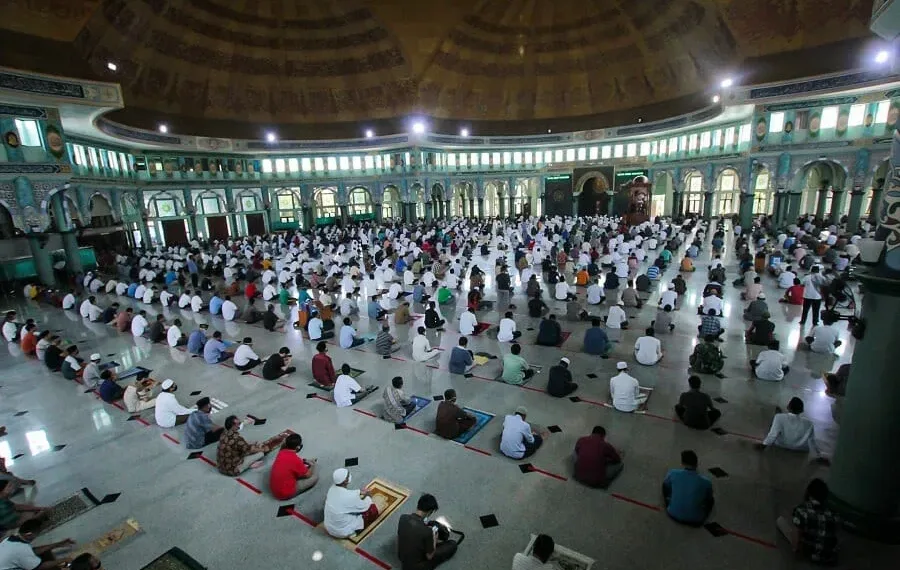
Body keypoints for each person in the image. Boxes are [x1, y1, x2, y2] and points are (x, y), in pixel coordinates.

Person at [776, 478, 840, 565]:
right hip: (829, 557)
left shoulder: (802, 510)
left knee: (781, 521)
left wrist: (796, 548)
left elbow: (797, 537)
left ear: (809, 494)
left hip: (809, 553)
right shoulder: (833, 514)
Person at [397, 493, 459, 570]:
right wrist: (434, 539)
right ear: (430, 511)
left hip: (402, 558)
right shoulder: (427, 532)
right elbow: (430, 556)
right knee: (452, 544)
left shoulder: (403, 517)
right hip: (418, 567)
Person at [756, 398, 828, 462]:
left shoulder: (779, 417)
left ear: (788, 407)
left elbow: (773, 435)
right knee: (780, 419)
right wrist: (819, 456)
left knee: (776, 422)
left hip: (781, 444)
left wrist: (764, 445)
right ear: (801, 410)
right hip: (801, 449)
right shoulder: (809, 423)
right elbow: (812, 442)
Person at [0, 518, 76, 570]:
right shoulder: (22, 549)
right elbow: (40, 567)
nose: (37, 536)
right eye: (37, 534)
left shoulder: (10, 539)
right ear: (29, 534)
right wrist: (64, 559)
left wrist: (58, 544)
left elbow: (32, 551)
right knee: (45, 562)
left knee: (45, 553)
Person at [324, 468, 379, 539]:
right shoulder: (349, 497)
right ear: (345, 481)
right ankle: (354, 533)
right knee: (373, 509)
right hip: (342, 532)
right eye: (347, 476)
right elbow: (365, 506)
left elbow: (348, 495)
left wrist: (359, 492)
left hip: (329, 527)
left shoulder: (331, 489)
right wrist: (368, 496)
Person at [663, 450, 714, 526]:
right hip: (696, 520)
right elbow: (709, 498)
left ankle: (671, 503)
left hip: (672, 513)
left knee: (666, 486)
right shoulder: (706, 482)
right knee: (711, 500)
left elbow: (665, 486)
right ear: (696, 464)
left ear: (682, 463)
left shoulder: (673, 473)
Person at [269, 433, 319, 500]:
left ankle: (307, 464)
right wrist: (313, 464)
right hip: (284, 493)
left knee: (294, 468)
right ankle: (312, 463)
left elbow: (283, 446)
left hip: (275, 489)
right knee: (314, 477)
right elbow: (308, 475)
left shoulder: (281, 452)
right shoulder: (296, 460)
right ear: (298, 447)